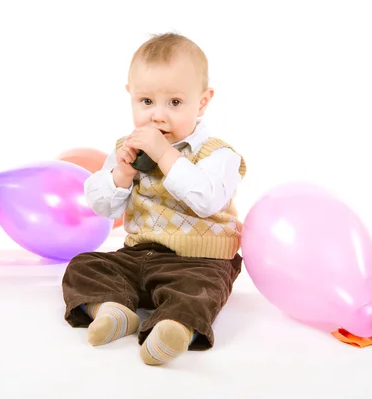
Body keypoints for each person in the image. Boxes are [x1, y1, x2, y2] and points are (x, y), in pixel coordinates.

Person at [61, 32, 247, 366]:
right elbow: (101, 206)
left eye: (174, 103)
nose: (157, 115)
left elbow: (205, 201)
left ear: (202, 102)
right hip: (139, 256)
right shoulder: (127, 149)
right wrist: (121, 174)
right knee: (85, 265)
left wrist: (164, 155)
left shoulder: (217, 155)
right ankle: (113, 309)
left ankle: (174, 328)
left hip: (198, 262)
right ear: (131, 96)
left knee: (197, 292)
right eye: (147, 102)